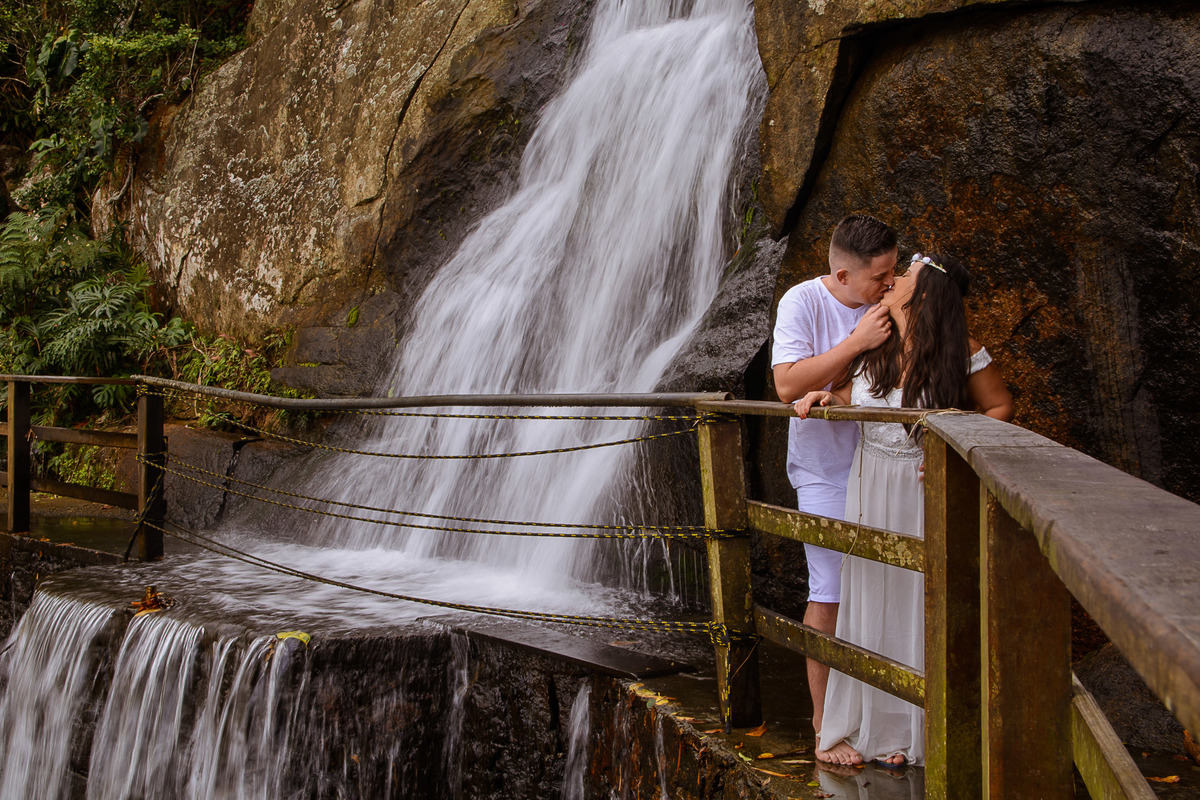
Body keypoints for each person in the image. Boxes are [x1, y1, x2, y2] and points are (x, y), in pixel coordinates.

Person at [795, 251, 1014, 767]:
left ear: (922, 295)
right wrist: (826, 399)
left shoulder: (961, 350)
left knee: (919, 600)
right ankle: (870, 727)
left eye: (904, 278)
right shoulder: (881, 342)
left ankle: (906, 733)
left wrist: (960, 451)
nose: (891, 282)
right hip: (870, 487)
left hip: (921, 491)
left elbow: (1000, 407)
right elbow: (855, 394)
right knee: (871, 594)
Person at [771, 213, 897, 763]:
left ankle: (883, 721)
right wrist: (856, 341)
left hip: (884, 469)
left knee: (886, 587)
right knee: (830, 590)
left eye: (894, 272)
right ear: (843, 277)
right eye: (879, 277)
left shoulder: (889, 300)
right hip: (823, 470)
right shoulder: (802, 302)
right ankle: (826, 720)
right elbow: (787, 385)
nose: (889, 284)